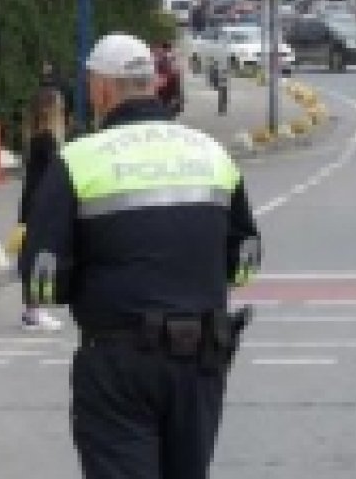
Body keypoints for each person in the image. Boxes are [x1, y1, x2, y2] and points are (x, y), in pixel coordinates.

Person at [20, 32, 262, 478]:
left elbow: (42, 279)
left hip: (118, 360)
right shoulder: (211, 153)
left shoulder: (77, 160)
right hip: (200, 356)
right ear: (154, 84)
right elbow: (246, 258)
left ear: (102, 89)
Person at [17, 88, 67, 331]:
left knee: (35, 255)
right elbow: (51, 176)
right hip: (41, 204)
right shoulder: (47, 141)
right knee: (39, 257)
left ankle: (33, 309)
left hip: (33, 203)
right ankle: (34, 309)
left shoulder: (36, 138)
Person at [155, 43, 184, 117]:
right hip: (161, 95)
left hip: (166, 94)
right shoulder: (155, 61)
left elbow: (176, 82)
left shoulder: (171, 62)